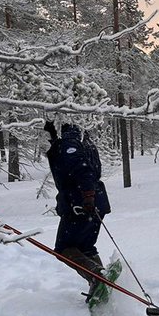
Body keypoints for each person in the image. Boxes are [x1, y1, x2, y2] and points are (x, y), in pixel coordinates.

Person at [45, 121, 109, 296]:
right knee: (85, 247)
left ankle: (97, 276)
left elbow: (82, 169)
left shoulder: (70, 143)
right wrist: (53, 138)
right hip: (96, 202)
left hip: (80, 206)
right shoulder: (83, 140)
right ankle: (101, 280)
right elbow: (72, 161)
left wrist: (87, 197)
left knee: (64, 249)